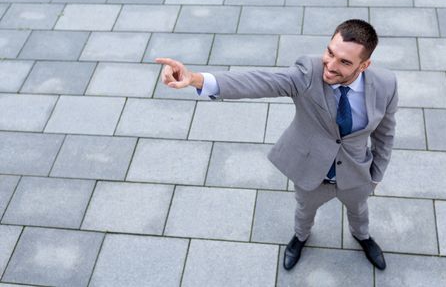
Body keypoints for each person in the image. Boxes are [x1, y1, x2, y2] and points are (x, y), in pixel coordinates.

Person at [155, 19, 398, 271]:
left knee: (359, 211)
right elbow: (259, 81)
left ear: (364, 64)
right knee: (304, 211)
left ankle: (362, 237)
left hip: (357, 173)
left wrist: (375, 176)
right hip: (310, 171)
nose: (330, 65)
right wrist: (195, 79)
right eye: (330, 52)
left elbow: (385, 134)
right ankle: (300, 238)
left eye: (344, 62)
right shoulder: (307, 73)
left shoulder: (386, 84)